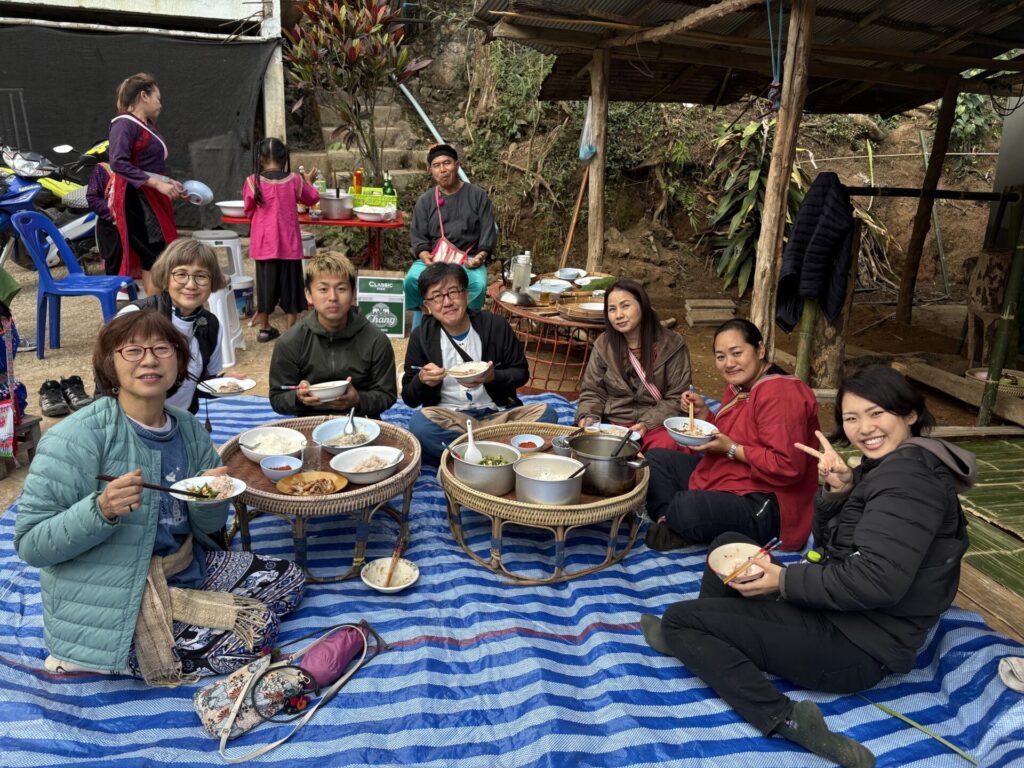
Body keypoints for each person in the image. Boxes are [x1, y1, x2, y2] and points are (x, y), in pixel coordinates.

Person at [640, 364, 975, 768]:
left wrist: (783, 580)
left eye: (877, 413)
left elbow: (875, 581)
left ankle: (785, 718)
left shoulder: (908, 480)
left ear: (909, 414)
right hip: (842, 614)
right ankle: (706, 635)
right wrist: (840, 492)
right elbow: (838, 547)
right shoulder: (891, 465)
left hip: (857, 648)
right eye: (852, 418)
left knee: (679, 620)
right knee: (729, 545)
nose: (864, 427)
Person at [14, 311, 305, 684]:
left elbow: (209, 527)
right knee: (258, 630)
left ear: (179, 361)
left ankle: (182, 616)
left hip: (182, 569)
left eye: (161, 349)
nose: (149, 360)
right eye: (132, 351)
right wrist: (100, 510)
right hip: (112, 593)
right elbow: (31, 545)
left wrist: (210, 498)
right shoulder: (76, 438)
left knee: (289, 580)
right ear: (109, 364)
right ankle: (106, 657)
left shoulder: (185, 427)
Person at [644, 319, 818, 552]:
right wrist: (705, 413)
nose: (729, 364)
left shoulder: (780, 394)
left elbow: (788, 465)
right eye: (721, 356)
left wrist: (731, 449)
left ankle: (677, 521)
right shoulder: (740, 384)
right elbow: (735, 433)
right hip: (734, 474)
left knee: (686, 506)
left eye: (737, 353)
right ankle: (670, 522)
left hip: (769, 501)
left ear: (761, 349)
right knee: (656, 460)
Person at [402, 262, 560, 465]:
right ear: (427, 307)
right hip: (450, 418)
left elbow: (520, 372)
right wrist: (422, 380)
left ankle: (465, 455)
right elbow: (409, 397)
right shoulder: (421, 337)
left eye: (453, 292)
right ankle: (501, 452)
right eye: (437, 296)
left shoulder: (495, 325)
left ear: (466, 295)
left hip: (498, 416)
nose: (447, 302)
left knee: (548, 414)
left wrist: (493, 377)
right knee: (419, 426)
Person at [269, 251, 397, 418]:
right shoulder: (290, 341)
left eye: (341, 289)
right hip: (309, 423)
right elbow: (277, 397)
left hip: (361, 421)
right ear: (308, 294)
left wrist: (358, 399)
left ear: (353, 294)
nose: (333, 297)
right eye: (323, 289)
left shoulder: (375, 340)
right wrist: (298, 397)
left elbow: (388, 395)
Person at [575, 279, 690, 451]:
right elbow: (592, 391)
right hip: (613, 422)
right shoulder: (603, 345)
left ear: (642, 306)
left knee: (667, 448)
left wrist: (646, 424)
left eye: (625, 306)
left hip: (655, 424)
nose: (618, 315)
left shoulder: (672, 345)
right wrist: (588, 417)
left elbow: (676, 398)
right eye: (612, 309)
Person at [117, 239, 227, 414]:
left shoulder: (212, 326)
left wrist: (226, 384)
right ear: (166, 277)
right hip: (131, 421)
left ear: (212, 282)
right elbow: (107, 379)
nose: (191, 285)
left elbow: (199, 385)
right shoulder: (134, 316)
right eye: (181, 274)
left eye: (201, 276)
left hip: (181, 420)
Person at [107, 73, 186, 296]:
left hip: (152, 198)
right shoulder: (124, 125)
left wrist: (168, 182)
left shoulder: (148, 125)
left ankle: (159, 311)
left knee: (159, 254)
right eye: (157, 97)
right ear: (144, 96)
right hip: (137, 200)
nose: (160, 103)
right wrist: (156, 184)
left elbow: (151, 165)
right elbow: (118, 163)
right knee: (154, 256)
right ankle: (157, 314)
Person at [405, 144, 495, 318]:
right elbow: (418, 238)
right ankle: (428, 313)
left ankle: (464, 319)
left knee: (478, 285)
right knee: (410, 280)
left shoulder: (477, 196)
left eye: (447, 163)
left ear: (457, 165)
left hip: (467, 259)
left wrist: (480, 256)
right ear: (431, 170)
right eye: (437, 165)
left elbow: (487, 230)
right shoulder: (425, 201)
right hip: (434, 258)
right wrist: (425, 256)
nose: (443, 170)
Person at [243, 137, 319, 343]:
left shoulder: (253, 181)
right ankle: (291, 330)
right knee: (291, 287)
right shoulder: (294, 180)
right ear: (284, 157)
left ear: (260, 159)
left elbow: (248, 210)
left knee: (266, 286)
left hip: (264, 243)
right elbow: (312, 198)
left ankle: (265, 328)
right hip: (289, 244)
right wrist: (308, 181)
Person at [85, 160, 124, 276]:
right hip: (112, 225)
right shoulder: (103, 169)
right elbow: (92, 197)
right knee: (115, 263)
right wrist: (114, 214)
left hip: (135, 223)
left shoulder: (140, 168)